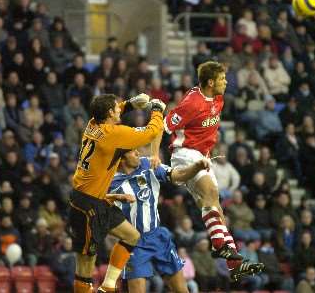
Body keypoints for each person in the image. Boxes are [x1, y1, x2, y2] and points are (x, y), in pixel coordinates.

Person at [152, 61, 264, 281]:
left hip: (203, 155)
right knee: (211, 195)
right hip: (185, 154)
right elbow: (161, 127)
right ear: (211, 82)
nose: (226, 82)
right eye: (222, 79)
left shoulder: (219, 98)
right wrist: (155, 154)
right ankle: (220, 245)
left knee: (217, 209)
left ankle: (234, 264)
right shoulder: (191, 103)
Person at [68, 93, 166, 293]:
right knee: (85, 265)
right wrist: (156, 110)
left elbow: (110, 110)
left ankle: (108, 286)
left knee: (132, 236)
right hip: (86, 205)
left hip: (96, 199)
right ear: (110, 113)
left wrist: (130, 104)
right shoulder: (115, 135)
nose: (119, 109)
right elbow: (150, 133)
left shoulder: (92, 124)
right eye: (117, 108)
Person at [109, 149, 211, 293]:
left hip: (157, 237)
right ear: (121, 159)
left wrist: (197, 167)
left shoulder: (148, 165)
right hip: (133, 244)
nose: (138, 153)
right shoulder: (109, 181)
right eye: (133, 152)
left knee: (182, 290)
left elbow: (177, 175)